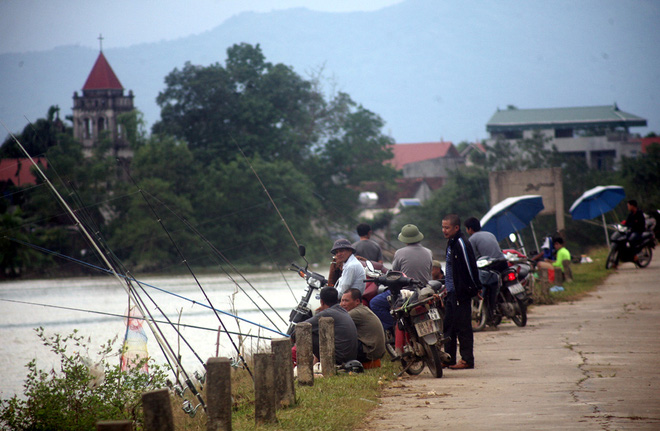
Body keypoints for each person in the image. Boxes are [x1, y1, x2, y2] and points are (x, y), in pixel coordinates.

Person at [442, 214, 481, 370]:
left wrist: (476, 287)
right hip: (451, 293)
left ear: (456, 228)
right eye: (443, 227)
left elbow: (470, 267)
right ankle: (448, 358)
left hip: (461, 293)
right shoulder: (451, 242)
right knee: (448, 326)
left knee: (463, 327)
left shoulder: (461, 243)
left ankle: (467, 360)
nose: (444, 230)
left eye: (447, 227)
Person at [295, 287, 358, 365]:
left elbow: (300, 328)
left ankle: (304, 366)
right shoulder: (342, 311)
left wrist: (291, 338)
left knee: (305, 333)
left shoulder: (327, 313)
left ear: (321, 301)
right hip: (350, 358)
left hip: (338, 359)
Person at [464, 217, 507, 324]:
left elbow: (472, 257)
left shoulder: (472, 239)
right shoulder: (490, 234)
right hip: (503, 263)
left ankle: (490, 314)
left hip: (490, 266)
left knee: (487, 286)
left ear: (469, 229)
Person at [340, 288, 386, 364]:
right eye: (342, 300)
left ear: (357, 301)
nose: (343, 304)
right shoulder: (362, 309)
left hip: (370, 352)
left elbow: (336, 323)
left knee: (339, 339)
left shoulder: (356, 312)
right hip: (374, 351)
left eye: (346, 301)